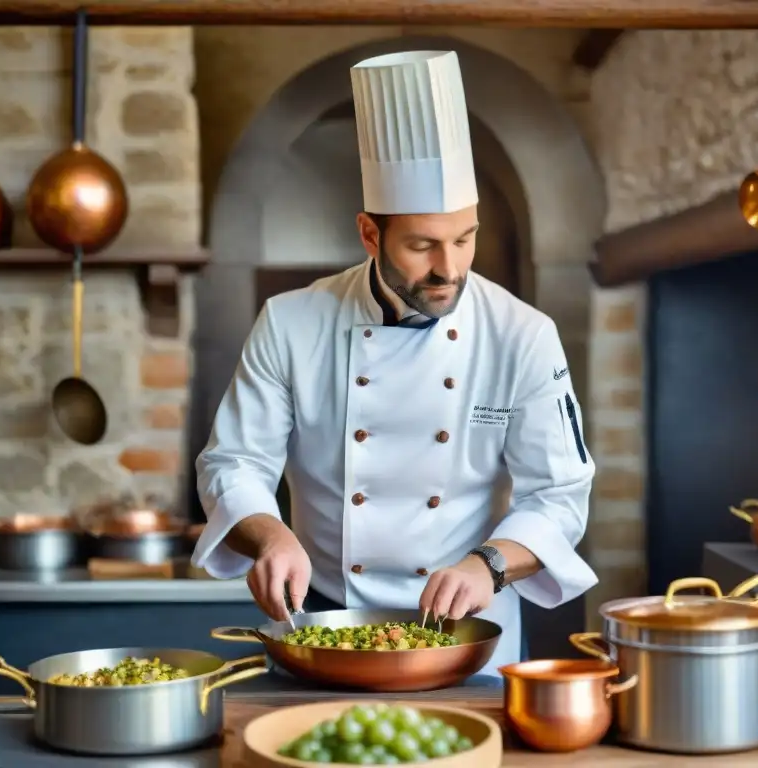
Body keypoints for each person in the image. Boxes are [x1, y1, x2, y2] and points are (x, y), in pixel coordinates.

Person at [191, 50, 597, 675]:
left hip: (467, 635)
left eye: (465, 238)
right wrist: (269, 536)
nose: (450, 268)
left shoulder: (522, 334)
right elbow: (235, 462)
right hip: (320, 623)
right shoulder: (291, 322)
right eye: (422, 245)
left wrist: (488, 563)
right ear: (370, 234)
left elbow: (561, 497)